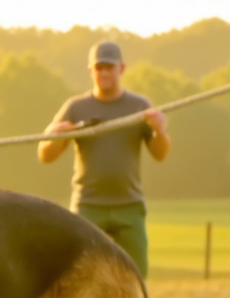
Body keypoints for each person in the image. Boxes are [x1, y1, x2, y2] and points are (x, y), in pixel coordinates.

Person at [37, 40, 170, 278]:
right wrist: (56, 135)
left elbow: (160, 154)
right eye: (99, 68)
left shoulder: (139, 106)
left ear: (122, 68)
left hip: (129, 206)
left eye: (109, 67)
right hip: (88, 206)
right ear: (90, 70)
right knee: (78, 275)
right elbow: (45, 155)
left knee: (137, 277)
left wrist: (160, 131)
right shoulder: (76, 107)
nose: (104, 73)